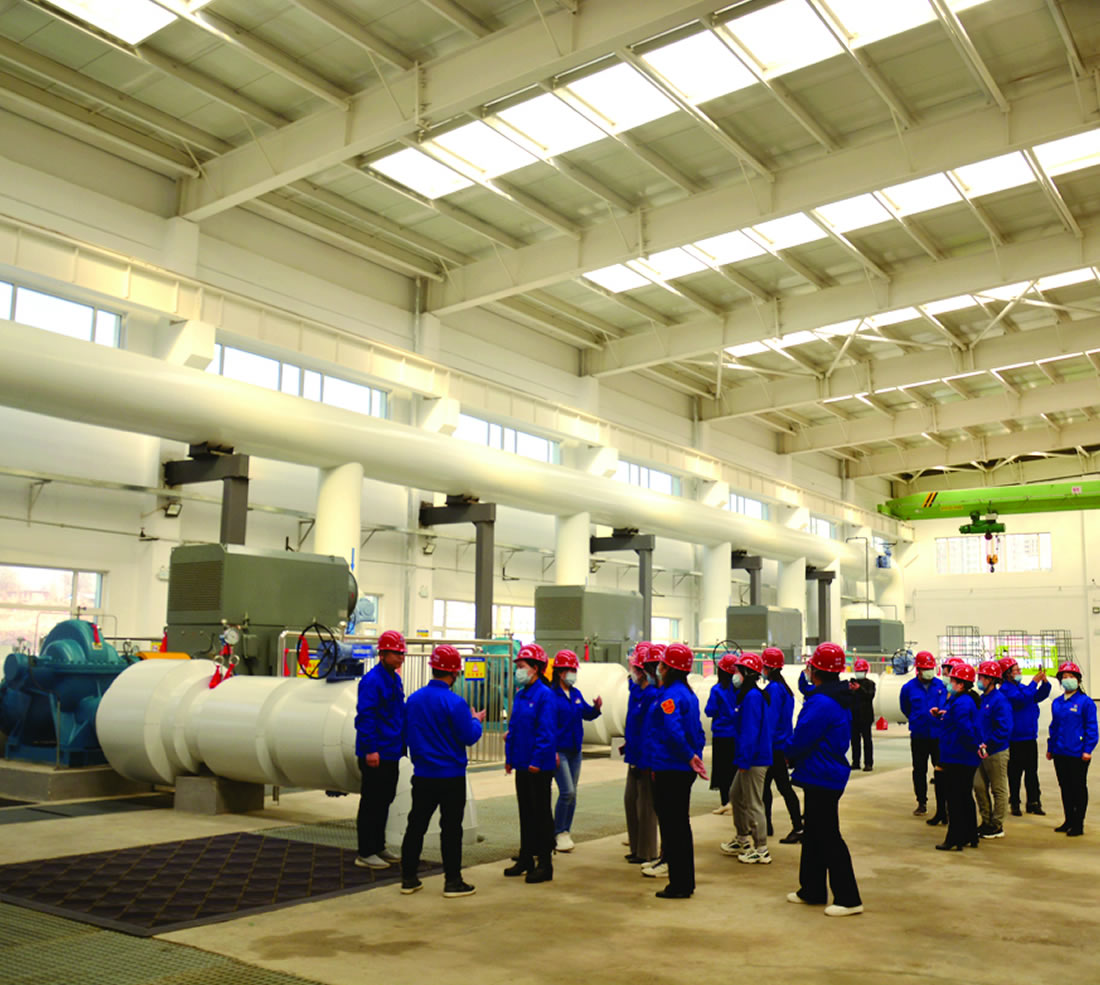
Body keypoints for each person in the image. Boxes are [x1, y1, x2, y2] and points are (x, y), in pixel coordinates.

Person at [784, 642, 862, 917]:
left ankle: (849, 898)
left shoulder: (821, 702)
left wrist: (786, 752)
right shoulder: (836, 697)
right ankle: (812, 889)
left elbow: (803, 736)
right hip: (823, 772)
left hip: (822, 774)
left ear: (816, 670)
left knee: (827, 836)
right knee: (814, 834)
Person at [400, 645, 485, 898]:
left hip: (423, 774)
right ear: (455, 673)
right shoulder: (455, 703)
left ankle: (408, 879)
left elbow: (406, 733)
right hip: (451, 776)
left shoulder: (413, 700)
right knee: (451, 829)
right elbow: (468, 737)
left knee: (416, 825)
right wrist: (476, 721)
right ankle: (452, 881)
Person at [648, 642, 707, 899]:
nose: (658, 668)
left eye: (661, 664)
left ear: (669, 668)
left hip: (671, 767)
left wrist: (688, 756)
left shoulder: (671, 696)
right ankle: (684, 881)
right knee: (680, 825)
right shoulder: (688, 694)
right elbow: (698, 731)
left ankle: (679, 884)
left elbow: (673, 731)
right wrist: (695, 756)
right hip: (680, 767)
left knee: (673, 827)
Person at [504, 643, 557, 883]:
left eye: (522, 666)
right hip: (522, 764)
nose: (519, 671)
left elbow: (546, 733)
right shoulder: (521, 695)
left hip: (538, 767)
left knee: (541, 815)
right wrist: (509, 758)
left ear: (535, 668)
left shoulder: (545, 696)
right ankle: (525, 858)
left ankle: (545, 864)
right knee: (525, 813)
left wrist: (537, 760)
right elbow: (514, 728)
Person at [354, 629, 407, 869]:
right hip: (376, 752)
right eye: (397, 653)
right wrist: (370, 749)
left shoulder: (394, 679)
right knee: (372, 802)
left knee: (385, 799)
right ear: (383, 654)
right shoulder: (372, 681)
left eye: (402, 654)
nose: (401, 658)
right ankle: (365, 851)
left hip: (390, 751)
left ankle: (378, 846)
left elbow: (396, 714)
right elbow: (366, 717)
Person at [549, 649, 603, 853]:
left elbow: (586, 714)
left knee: (573, 793)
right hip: (559, 751)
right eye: (570, 670)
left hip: (575, 751)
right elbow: (548, 725)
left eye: (574, 670)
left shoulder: (576, 694)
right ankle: (558, 831)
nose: (573, 674)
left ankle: (565, 831)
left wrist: (596, 709)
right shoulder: (551, 696)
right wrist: (552, 751)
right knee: (567, 791)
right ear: (560, 672)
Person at [724, 652, 773, 864]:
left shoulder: (752, 697)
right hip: (751, 756)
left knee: (753, 803)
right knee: (735, 795)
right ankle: (743, 838)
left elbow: (750, 731)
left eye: (737, 670)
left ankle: (761, 848)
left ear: (747, 672)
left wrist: (744, 760)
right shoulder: (749, 695)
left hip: (754, 758)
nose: (734, 674)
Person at [930, 662, 983, 851]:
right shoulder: (963, 700)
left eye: (952, 680)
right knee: (964, 797)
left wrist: (974, 745)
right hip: (963, 756)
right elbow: (958, 722)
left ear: (960, 684)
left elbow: (965, 728)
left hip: (958, 756)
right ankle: (970, 835)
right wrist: (942, 715)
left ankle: (954, 838)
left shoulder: (961, 702)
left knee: (955, 799)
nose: (949, 683)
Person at [1047, 661, 1097, 837]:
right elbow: (1054, 727)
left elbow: (1092, 728)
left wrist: (1088, 749)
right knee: (1065, 787)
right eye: (1064, 677)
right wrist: (1050, 747)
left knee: (1078, 787)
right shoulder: (1057, 703)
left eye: (1071, 676)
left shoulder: (1085, 702)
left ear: (1078, 680)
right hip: (1060, 752)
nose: (1067, 679)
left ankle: (1078, 823)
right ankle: (1068, 819)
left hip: (1078, 753)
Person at [999, 656, 1051, 816]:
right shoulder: (1005, 691)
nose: (1019, 672)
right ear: (1007, 674)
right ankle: (1015, 802)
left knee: (1031, 772)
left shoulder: (1022, 688)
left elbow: (1037, 696)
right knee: (1015, 774)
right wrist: (1034, 682)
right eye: (1016, 670)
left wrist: (1045, 683)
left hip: (1029, 737)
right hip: (1015, 739)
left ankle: (1034, 802)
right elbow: (1020, 700)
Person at [899, 651, 948, 819]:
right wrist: (917, 719)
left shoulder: (940, 686)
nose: (929, 672)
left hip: (938, 735)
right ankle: (921, 802)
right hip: (919, 735)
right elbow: (905, 708)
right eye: (926, 669)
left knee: (941, 770)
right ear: (918, 670)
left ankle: (943, 805)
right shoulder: (908, 688)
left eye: (931, 668)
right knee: (919, 770)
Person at [623, 643, 659, 865]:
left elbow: (649, 732)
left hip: (645, 760)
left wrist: (645, 761)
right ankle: (636, 847)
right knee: (631, 801)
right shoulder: (637, 692)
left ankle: (647, 851)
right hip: (634, 756)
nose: (632, 673)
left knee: (646, 807)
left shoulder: (652, 696)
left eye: (635, 670)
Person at [762, 647, 802, 843]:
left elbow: (770, 720)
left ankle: (797, 826)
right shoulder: (786, 689)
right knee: (773, 787)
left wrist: (762, 744)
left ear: (768, 668)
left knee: (780, 787)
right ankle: (768, 825)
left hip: (774, 746)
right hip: (782, 743)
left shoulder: (773, 689)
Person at [973, 660, 1013, 839]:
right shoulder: (983, 699)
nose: (979, 680)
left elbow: (1005, 728)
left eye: (982, 677)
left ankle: (997, 824)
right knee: (979, 786)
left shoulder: (1000, 701)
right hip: (980, 751)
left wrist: (989, 744)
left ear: (991, 679)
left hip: (995, 751)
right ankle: (986, 820)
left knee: (998, 788)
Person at [705, 653, 738, 816]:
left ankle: (726, 802)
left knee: (722, 770)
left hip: (721, 735)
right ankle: (736, 801)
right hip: (736, 735)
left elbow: (709, 710)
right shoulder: (740, 690)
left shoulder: (717, 690)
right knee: (734, 770)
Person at [848, 659, 876, 772]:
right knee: (855, 741)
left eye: (861, 671)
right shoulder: (851, 685)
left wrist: (859, 689)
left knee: (867, 741)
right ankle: (856, 762)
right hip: (854, 717)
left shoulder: (870, 684)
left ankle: (868, 763)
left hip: (866, 717)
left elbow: (869, 696)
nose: (859, 673)